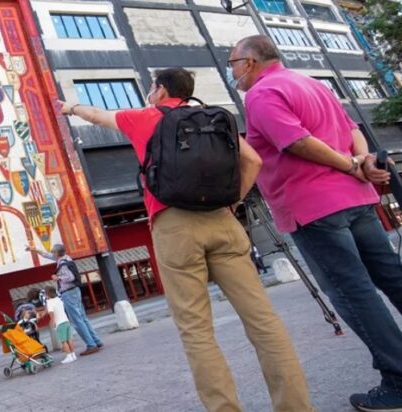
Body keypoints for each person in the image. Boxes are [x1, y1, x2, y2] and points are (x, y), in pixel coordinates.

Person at [58, 68, 314, 412]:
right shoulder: (213, 118)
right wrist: (233, 202)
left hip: (173, 225)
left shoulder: (144, 117)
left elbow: (96, 115)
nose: (150, 93)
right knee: (263, 321)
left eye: (152, 88)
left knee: (197, 330)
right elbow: (253, 159)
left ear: (162, 91)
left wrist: (70, 108)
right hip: (222, 221)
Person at [230, 34, 402, 411]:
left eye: (233, 64)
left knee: (352, 292)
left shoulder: (261, 94)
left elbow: (296, 141)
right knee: (391, 275)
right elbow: (353, 129)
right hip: (356, 199)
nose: (233, 72)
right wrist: (362, 162)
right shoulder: (311, 83)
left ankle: (398, 379)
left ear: (250, 62)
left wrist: (351, 166)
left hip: (313, 205)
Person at [26, 244, 103, 355]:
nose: (51, 253)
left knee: (77, 321)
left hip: (68, 293)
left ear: (57, 253)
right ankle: (96, 341)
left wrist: (58, 277)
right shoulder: (66, 258)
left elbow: (70, 277)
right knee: (82, 318)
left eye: (53, 252)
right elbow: (46, 255)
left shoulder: (63, 265)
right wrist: (35, 250)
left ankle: (91, 345)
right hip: (75, 291)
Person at [40, 286, 76, 364]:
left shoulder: (49, 302)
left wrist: (52, 322)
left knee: (63, 341)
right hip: (66, 321)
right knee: (69, 339)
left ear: (47, 294)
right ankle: (73, 355)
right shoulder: (59, 299)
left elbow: (51, 313)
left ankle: (69, 356)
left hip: (59, 323)